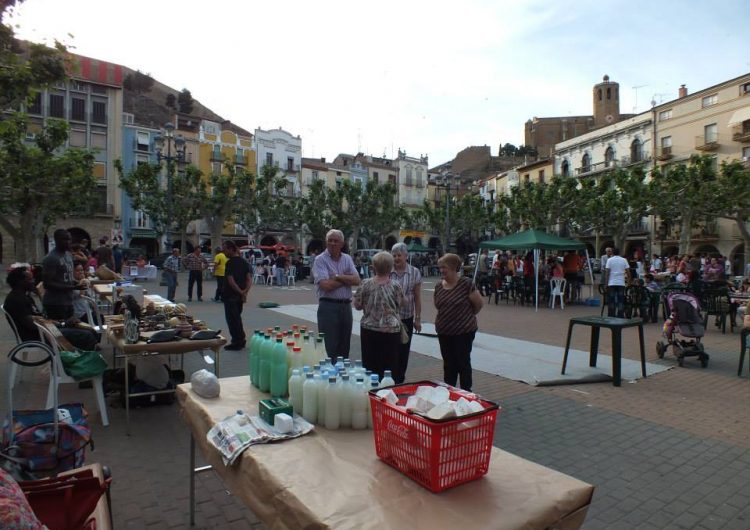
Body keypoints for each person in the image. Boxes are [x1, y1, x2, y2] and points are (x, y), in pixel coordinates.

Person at [5, 265, 98, 351]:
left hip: (44, 331)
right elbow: (34, 326)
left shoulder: (24, 296)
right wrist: (62, 324)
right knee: (86, 335)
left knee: (89, 330)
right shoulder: (16, 300)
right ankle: (79, 365)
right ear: (20, 282)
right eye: (30, 280)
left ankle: (79, 361)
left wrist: (63, 322)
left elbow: (40, 320)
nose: (33, 281)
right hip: (38, 336)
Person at [434, 253, 483, 391]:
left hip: (464, 331)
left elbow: (478, 304)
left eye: (444, 267)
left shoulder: (466, 284)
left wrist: (466, 316)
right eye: (440, 268)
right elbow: (438, 305)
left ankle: (466, 391)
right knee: (449, 364)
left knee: (462, 362)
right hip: (444, 331)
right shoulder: (438, 286)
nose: (442, 270)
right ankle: (449, 390)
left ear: (454, 267)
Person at [353, 251, 403, 380]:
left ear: (373, 267)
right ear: (391, 267)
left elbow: (357, 305)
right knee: (390, 365)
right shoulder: (396, 285)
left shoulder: (365, 284)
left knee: (370, 365)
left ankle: (371, 393)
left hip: (369, 329)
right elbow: (401, 304)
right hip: (391, 330)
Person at [313, 229, 361, 359]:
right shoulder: (320, 260)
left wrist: (337, 277)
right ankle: (329, 376)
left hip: (346, 307)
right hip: (328, 306)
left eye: (336, 241)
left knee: (344, 346)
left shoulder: (347, 258)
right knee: (329, 347)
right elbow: (326, 286)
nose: (333, 243)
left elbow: (357, 280)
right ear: (326, 242)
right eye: (330, 240)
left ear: (342, 243)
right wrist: (346, 278)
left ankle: (341, 376)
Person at [389, 243, 422, 383]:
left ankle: (399, 380)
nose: (396, 258)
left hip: (406, 317)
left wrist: (418, 319)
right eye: (394, 255)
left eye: (399, 255)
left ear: (406, 256)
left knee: (403, 350)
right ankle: (389, 379)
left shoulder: (414, 272)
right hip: (389, 318)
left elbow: (417, 297)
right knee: (390, 350)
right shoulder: (387, 271)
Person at [41, 229, 88, 320]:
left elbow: (67, 277)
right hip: (55, 303)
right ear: (57, 240)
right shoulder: (51, 258)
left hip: (68, 301)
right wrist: (73, 288)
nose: (68, 242)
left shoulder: (68, 255)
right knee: (63, 330)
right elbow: (47, 284)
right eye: (65, 239)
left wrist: (76, 283)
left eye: (69, 239)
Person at [222, 240, 252, 350]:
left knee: (232, 319)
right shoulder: (244, 262)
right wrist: (244, 292)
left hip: (230, 295)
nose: (223, 251)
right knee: (237, 318)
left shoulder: (229, 263)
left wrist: (241, 292)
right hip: (239, 297)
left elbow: (231, 280)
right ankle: (240, 340)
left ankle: (237, 341)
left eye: (225, 249)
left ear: (231, 249)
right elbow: (249, 279)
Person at [604, 247, 630, 318]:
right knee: (620, 300)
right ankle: (620, 315)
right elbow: (628, 272)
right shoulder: (624, 260)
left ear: (612, 252)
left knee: (611, 300)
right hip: (621, 283)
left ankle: (611, 315)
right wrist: (629, 283)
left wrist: (606, 284)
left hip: (611, 283)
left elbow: (607, 273)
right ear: (619, 252)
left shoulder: (609, 260)